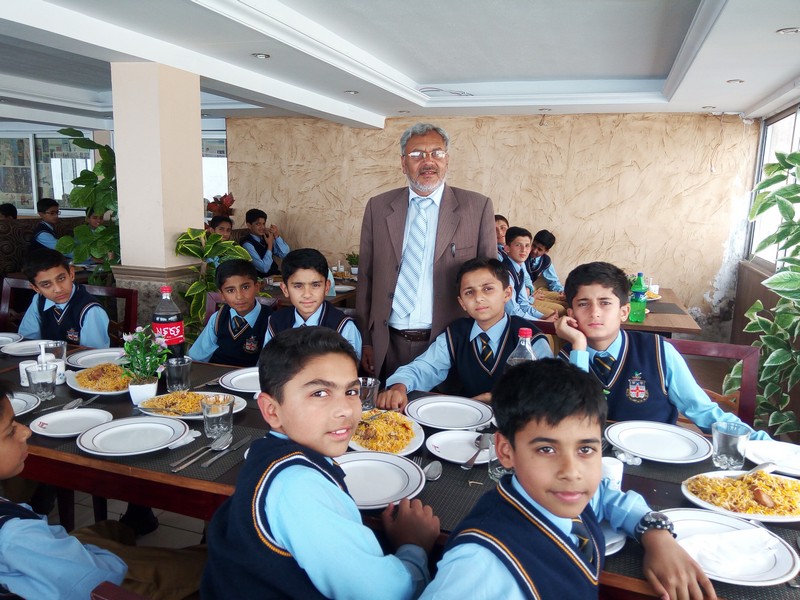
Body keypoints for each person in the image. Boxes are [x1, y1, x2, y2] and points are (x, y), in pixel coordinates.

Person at [421, 359, 716, 600]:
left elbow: (606, 495)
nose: (572, 471)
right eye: (546, 449)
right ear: (505, 451)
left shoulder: (564, 498)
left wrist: (656, 533)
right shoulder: (479, 566)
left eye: (585, 449)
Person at [201, 327, 440, 599]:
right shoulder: (299, 487)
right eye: (320, 393)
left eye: (351, 391)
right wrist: (414, 546)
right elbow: (386, 593)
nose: (345, 410)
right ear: (271, 410)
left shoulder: (268, 452)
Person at [0, 383, 207, 600]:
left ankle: (132, 528)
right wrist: (113, 556)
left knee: (112, 530)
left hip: (52, 555)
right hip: (103, 584)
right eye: (10, 431)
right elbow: (99, 578)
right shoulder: (16, 537)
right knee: (208, 560)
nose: (26, 431)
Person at [555, 261, 770, 439]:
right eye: (583, 304)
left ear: (624, 312)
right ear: (571, 314)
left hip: (656, 460)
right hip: (594, 463)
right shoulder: (564, 360)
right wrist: (579, 347)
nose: (594, 312)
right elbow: (570, 422)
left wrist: (763, 444)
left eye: (605, 303)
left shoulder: (659, 353)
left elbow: (704, 411)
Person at [357, 122, 496, 380]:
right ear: (403, 163)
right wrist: (366, 339)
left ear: (447, 160)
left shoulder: (477, 208)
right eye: (417, 154)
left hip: (449, 343)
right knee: (386, 405)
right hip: (387, 343)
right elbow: (366, 277)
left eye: (436, 153)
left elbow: (491, 283)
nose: (428, 161)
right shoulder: (378, 207)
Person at [377, 257, 551, 410]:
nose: (478, 298)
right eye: (469, 292)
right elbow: (426, 367)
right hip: (466, 420)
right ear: (462, 303)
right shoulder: (456, 334)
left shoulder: (530, 338)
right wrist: (399, 386)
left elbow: (550, 389)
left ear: (507, 294)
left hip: (519, 423)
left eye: (488, 289)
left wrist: (502, 399)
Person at [264, 248, 361, 358]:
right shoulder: (276, 323)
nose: (307, 294)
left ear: (326, 287)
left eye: (315, 285)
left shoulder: (344, 327)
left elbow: (350, 367)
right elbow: (267, 364)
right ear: (285, 289)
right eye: (298, 286)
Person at [18, 248, 109, 348]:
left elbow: (93, 354)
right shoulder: (39, 301)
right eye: (46, 284)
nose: (58, 289)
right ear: (36, 288)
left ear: (71, 274)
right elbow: (27, 343)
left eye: (61, 278)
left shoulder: (90, 310)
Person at [188, 259, 270, 367]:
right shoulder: (218, 318)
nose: (239, 296)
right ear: (222, 295)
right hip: (216, 373)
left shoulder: (271, 321)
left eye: (245, 287)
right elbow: (197, 357)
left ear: (257, 287)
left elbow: (268, 366)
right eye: (230, 290)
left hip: (250, 375)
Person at [499, 226, 558, 323]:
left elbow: (524, 304)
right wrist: (543, 322)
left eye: (527, 245)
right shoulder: (505, 274)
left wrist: (543, 317)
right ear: (507, 248)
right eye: (518, 245)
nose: (524, 250)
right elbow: (512, 311)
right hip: (504, 322)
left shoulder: (520, 269)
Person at [526, 229, 569, 317]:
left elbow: (553, 281)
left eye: (539, 249)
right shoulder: (523, 255)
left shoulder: (545, 261)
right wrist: (531, 297)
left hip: (533, 292)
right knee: (560, 310)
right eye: (533, 246)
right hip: (526, 295)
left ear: (546, 251)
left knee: (566, 302)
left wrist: (562, 291)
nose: (534, 251)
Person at [240, 208, 289, 277]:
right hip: (260, 279)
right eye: (258, 224)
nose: (262, 227)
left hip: (275, 276)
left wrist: (276, 236)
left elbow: (285, 254)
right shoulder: (247, 244)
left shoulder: (266, 237)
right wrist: (270, 245)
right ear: (249, 225)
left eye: (263, 223)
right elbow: (264, 268)